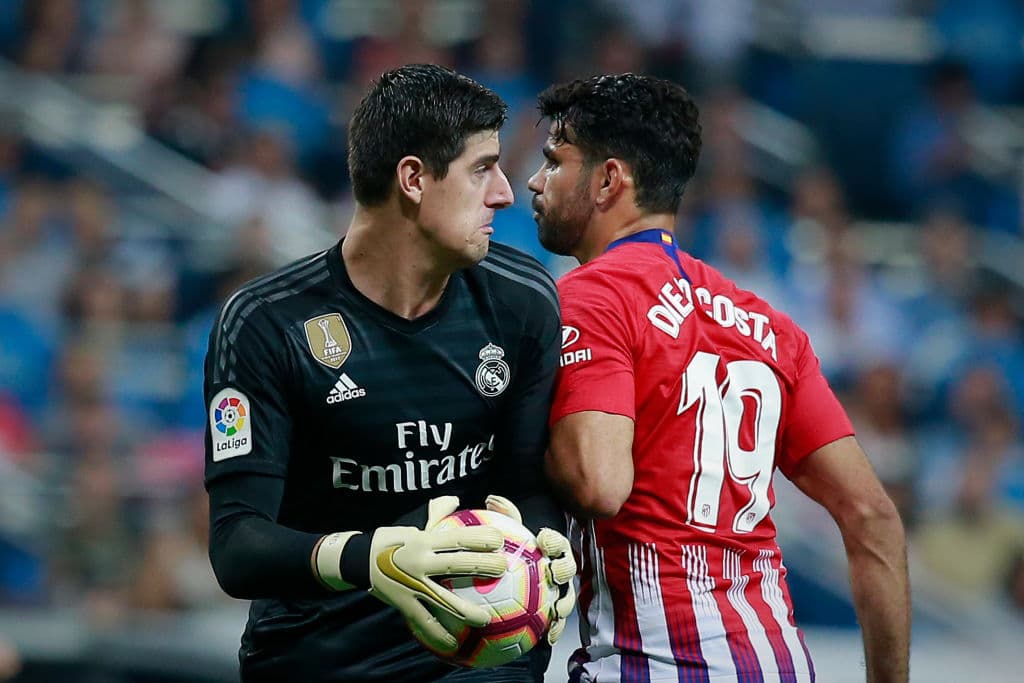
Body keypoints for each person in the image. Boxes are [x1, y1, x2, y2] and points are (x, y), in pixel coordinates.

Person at [528, 74, 910, 682]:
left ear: (608, 180)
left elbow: (598, 484)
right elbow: (874, 518)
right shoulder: (771, 327)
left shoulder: (594, 295)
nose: (534, 181)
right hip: (777, 663)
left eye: (554, 161)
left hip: (651, 662)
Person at [203, 64, 575, 682]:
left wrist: (545, 545)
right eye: (483, 168)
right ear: (412, 179)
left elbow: (525, 484)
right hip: (318, 658)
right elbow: (238, 547)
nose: (506, 193)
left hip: (479, 655)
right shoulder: (268, 324)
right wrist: (370, 556)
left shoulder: (521, 301)